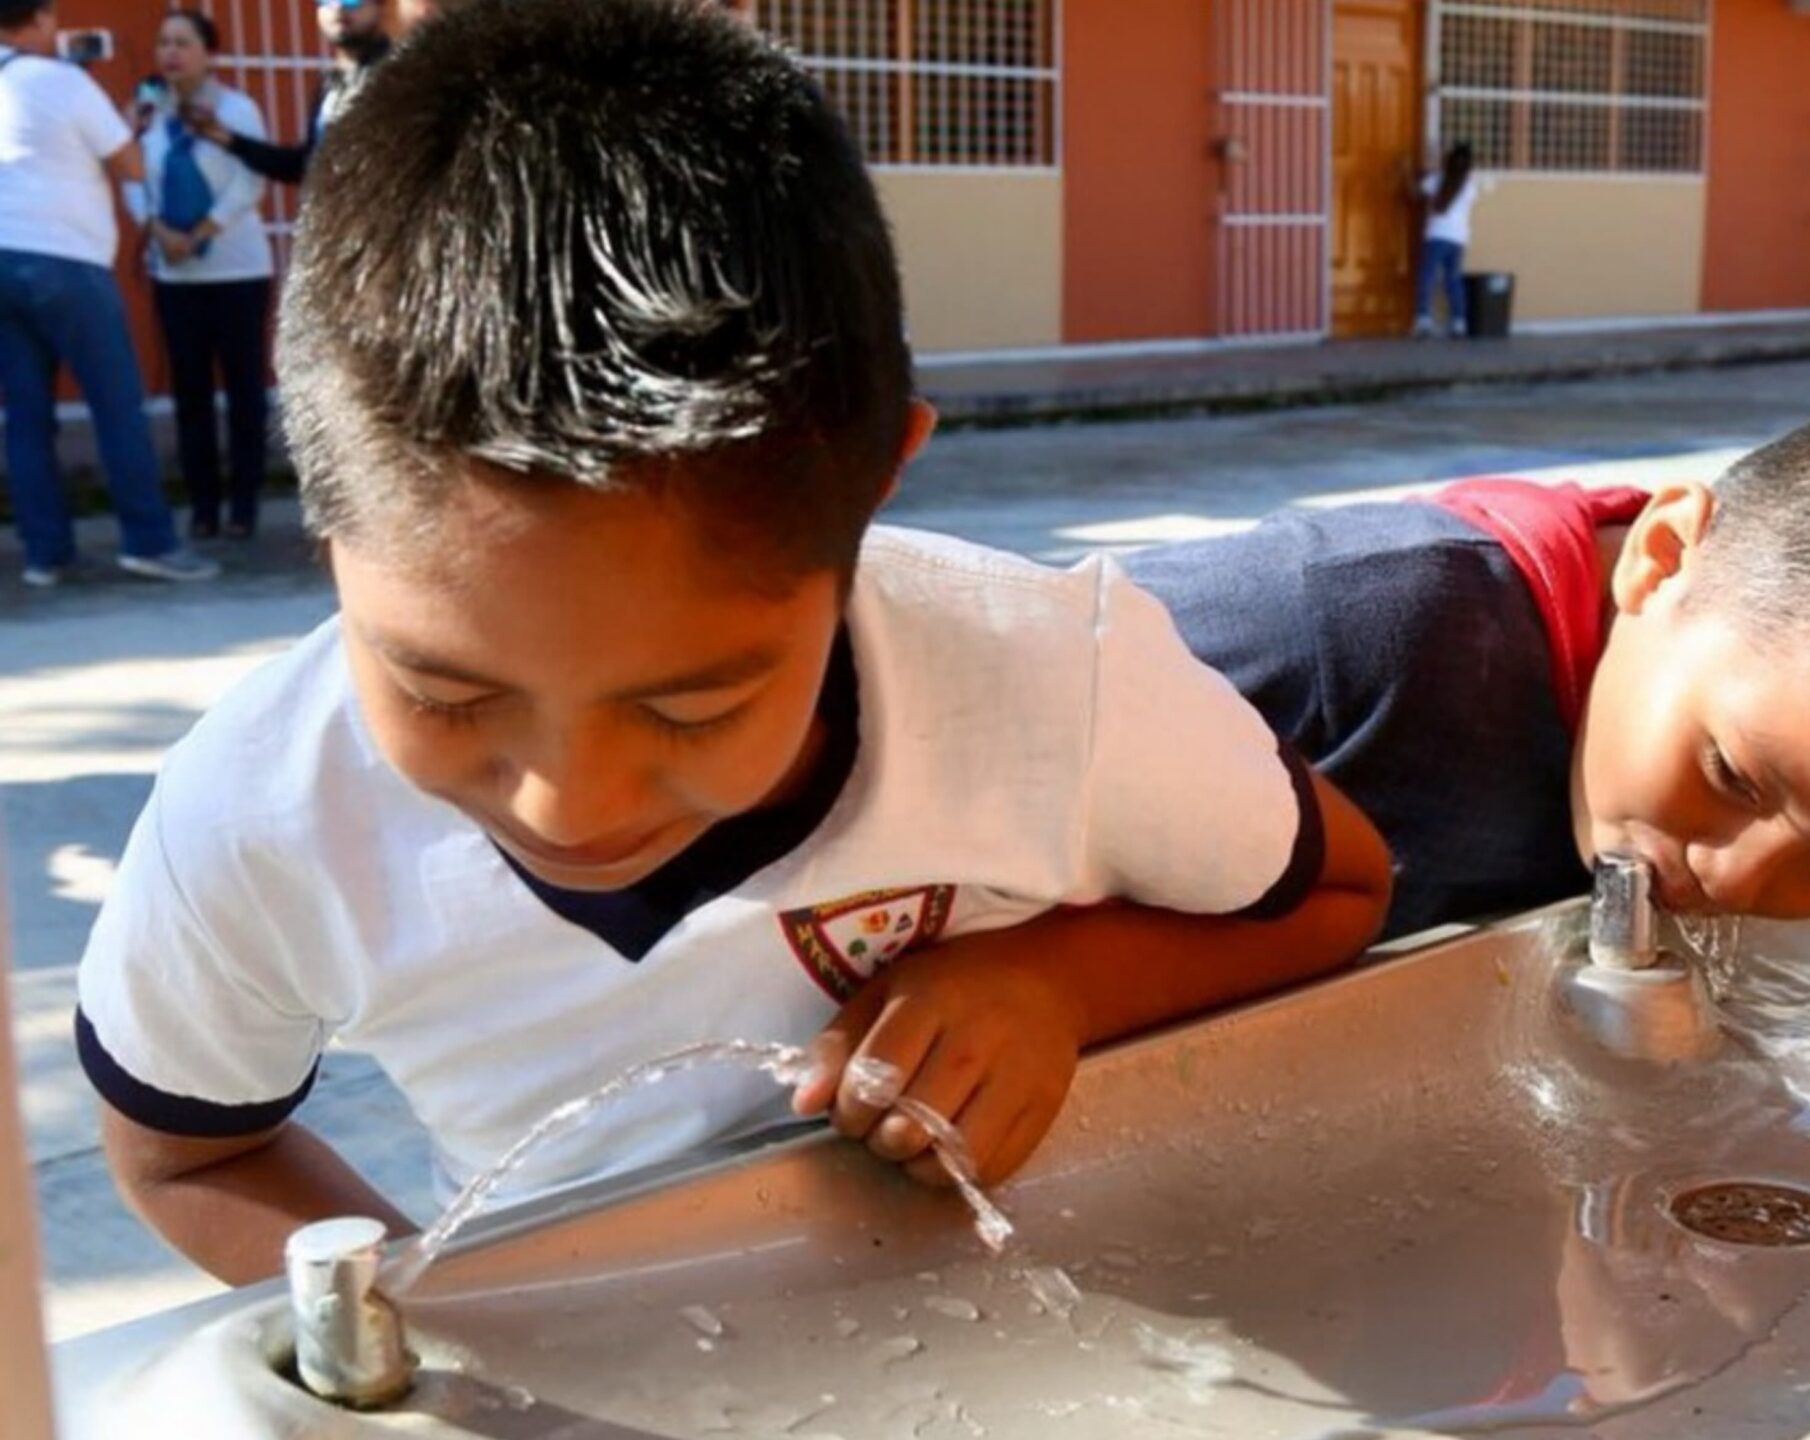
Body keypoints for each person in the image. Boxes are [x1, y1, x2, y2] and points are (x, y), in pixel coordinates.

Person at [77, 0, 1392, 1286]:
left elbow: (1339, 891)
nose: (571, 805)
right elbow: (188, 1153)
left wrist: (1058, 981)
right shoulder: (257, 809)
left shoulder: (1053, 684)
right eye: (444, 689)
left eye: (691, 709)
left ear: (875, 488)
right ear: (323, 520)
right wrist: (438, 1331)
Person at [1126, 390, 1810, 938]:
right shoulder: (1342, 626)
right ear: (1661, 559)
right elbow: (992, 678)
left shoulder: (1764, 697)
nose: (1726, 879)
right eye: (1732, 777)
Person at [0, 0, 218, 586]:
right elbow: (130, 167)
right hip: (66, 259)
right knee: (118, 404)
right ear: (40, 20)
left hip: (3, 258)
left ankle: (47, 554)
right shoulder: (63, 80)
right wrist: (125, 123)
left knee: (25, 417)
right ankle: (149, 540)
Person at [125, 11, 275, 540]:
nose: (171, 53)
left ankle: (244, 505)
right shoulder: (147, 113)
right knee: (190, 395)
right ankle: (203, 505)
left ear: (208, 52)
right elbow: (133, 175)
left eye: (183, 43)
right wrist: (156, 227)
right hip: (175, 274)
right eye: (164, 42)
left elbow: (250, 179)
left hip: (237, 268)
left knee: (243, 391)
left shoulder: (236, 108)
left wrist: (206, 227)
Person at [184, 0, 390, 184]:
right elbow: (306, 166)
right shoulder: (332, 81)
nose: (337, 7)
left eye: (351, 0)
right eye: (326, 0)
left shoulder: (400, 75)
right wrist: (228, 139)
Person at [1411, 140, 1480, 339]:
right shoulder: (1469, 186)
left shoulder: (1437, 179)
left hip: (1436, 235)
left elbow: (1415, 193)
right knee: (1453, 280)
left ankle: (1423, 320)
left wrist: (1406, 171)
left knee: (1427, 276)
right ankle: (1459, 322)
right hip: (1458, 238)